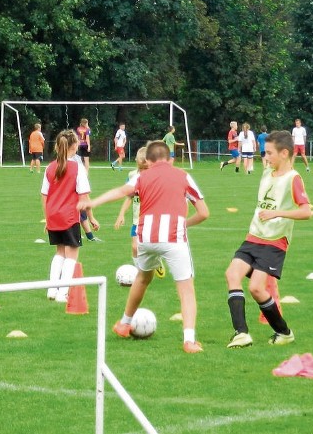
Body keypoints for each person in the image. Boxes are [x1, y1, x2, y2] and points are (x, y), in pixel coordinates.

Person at [79, 141, 209, 353]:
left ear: (148, 161)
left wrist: (93, 203)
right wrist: (184, 223)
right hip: (173, 238)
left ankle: (124, 323)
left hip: (145, 237)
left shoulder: (141, 176)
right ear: (170, 159)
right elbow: (204, 213)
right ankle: (189, 340)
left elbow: (121, 191)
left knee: (142, 277)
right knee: (186, 289)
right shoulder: (183, 176)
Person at [225, 131, 311, 349]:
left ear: (284, 153)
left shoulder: (294, 179)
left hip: (274, 241)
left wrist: (277, 213)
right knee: (232, 274)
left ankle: (284, 332)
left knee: (256, 288)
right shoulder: (266, 173)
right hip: (254, 236)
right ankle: (241, 333)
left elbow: (306, 212)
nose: (266, 156)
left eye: (270, 153)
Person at [41, 129, 96, 303]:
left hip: (54, 216)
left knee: (59, 252)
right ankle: (63, 293)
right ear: (75, 147)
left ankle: (52, 289)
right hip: (70, 216)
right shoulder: (77, 168)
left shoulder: (50, 167)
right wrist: (92, 217)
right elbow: (84, 196)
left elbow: (44, 195)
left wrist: (47, 218)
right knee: (71, 255)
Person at [114, 146, 165, 278]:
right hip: (138, 219)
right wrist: (121, 214)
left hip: (154, 219)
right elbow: (129, 196)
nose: (143, 171)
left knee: (152, 247)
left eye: (146, 168)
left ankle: (157, 261)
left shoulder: (157, 178)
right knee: (135, 247)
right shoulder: (132, 176)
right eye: (140, 168)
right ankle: (139, 274)